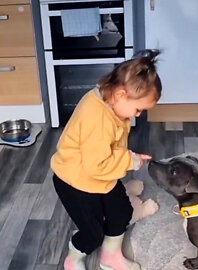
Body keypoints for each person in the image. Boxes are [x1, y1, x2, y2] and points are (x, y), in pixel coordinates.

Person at [51, 50, 162, 270]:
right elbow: (96, 165)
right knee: (93, 233)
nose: (138, 115)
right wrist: (130, 161)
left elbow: (107, 151)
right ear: (121, 95)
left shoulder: (111, 103)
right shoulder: (98, 120)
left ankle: (110, 257)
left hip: (99, 175)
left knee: (121, 212)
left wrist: (127, 157)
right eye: (138, 109)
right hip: (76, 182)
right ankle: (73, 258)